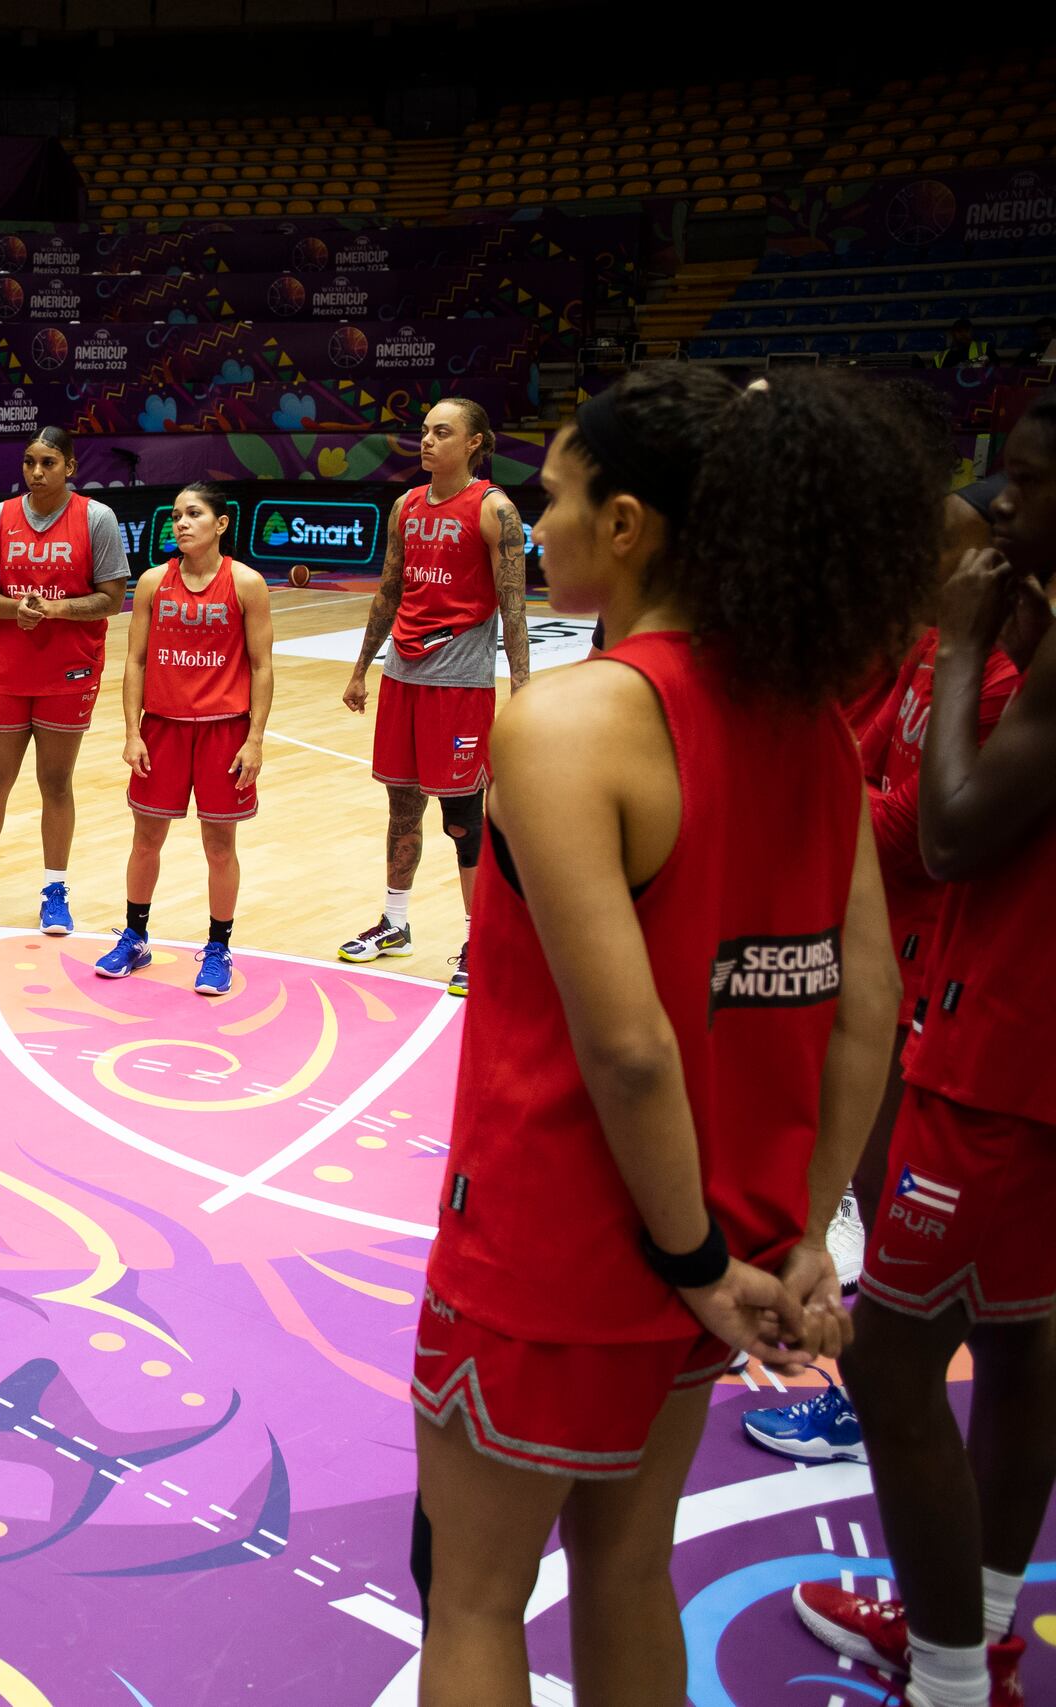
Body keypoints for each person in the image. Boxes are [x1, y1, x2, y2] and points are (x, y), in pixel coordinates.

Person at [411, 368, 931, 1706]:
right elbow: (865, 1005)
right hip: (737, 1235)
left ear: (630, 522)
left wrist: (693, 1257)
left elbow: (631, 1048)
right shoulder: (809, 718)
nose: (539, 518)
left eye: (560, 490)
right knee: (629, 1571)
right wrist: (798, 1231)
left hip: (564, 1241)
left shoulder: (571, 721)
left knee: (472, 1595)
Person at [791, 390, 1056, 1707]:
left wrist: (958, 646)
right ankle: (984, 1625)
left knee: (892, 1357)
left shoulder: (1002, 659)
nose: (1006, 513)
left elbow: (940, 832)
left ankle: (954, 1677)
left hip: (1002, 1048)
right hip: (983, 1021)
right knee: (1018, 1337)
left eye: (1027, 483)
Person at [739, 468, 1024, 1466]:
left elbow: (910, 831)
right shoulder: (921, 655)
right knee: (870, 1161)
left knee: (909, 1210)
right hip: (891, 956)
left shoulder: (981, 678)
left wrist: (825, 797)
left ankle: (874, 1402)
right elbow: (849, 762)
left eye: (929, 549)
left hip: (942, 981)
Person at [339, 398, 530, 998]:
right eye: (423, 431)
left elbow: (515, 608)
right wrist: (361, 667)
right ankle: (395, 923)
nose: (426, 441)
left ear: (474, 442)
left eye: (441, 432)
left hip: (459, 684)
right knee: (401, 809)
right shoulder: (405, 506)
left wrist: (521, 688)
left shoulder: (495, 508)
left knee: (463, 821)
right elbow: (389, 590)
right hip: (403, 673)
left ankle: (481, 941)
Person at [0, 426, 131, 934]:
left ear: (70, 466)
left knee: (56, 784)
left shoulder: (97, 519)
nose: (36, 472)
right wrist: (15, 609)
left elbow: (113, 597)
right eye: (28, 463)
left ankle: (55, 891)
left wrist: (58, 609)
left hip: (70, 672)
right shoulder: (0, 516)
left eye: (48, 463)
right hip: (6, 670)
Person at [95, 483, 273, 996]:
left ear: (220, 524)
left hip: (224, 731)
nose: (182, 523)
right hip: (163, 729)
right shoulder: (153, 582)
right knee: (146, 839)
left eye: (194, 514)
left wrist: (255, 739)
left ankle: (218, 946)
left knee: (220, 845)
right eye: (176, 515)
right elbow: (134, 661)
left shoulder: (247, 584)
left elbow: (261, 667)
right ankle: (134, 936)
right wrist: (132, 731)